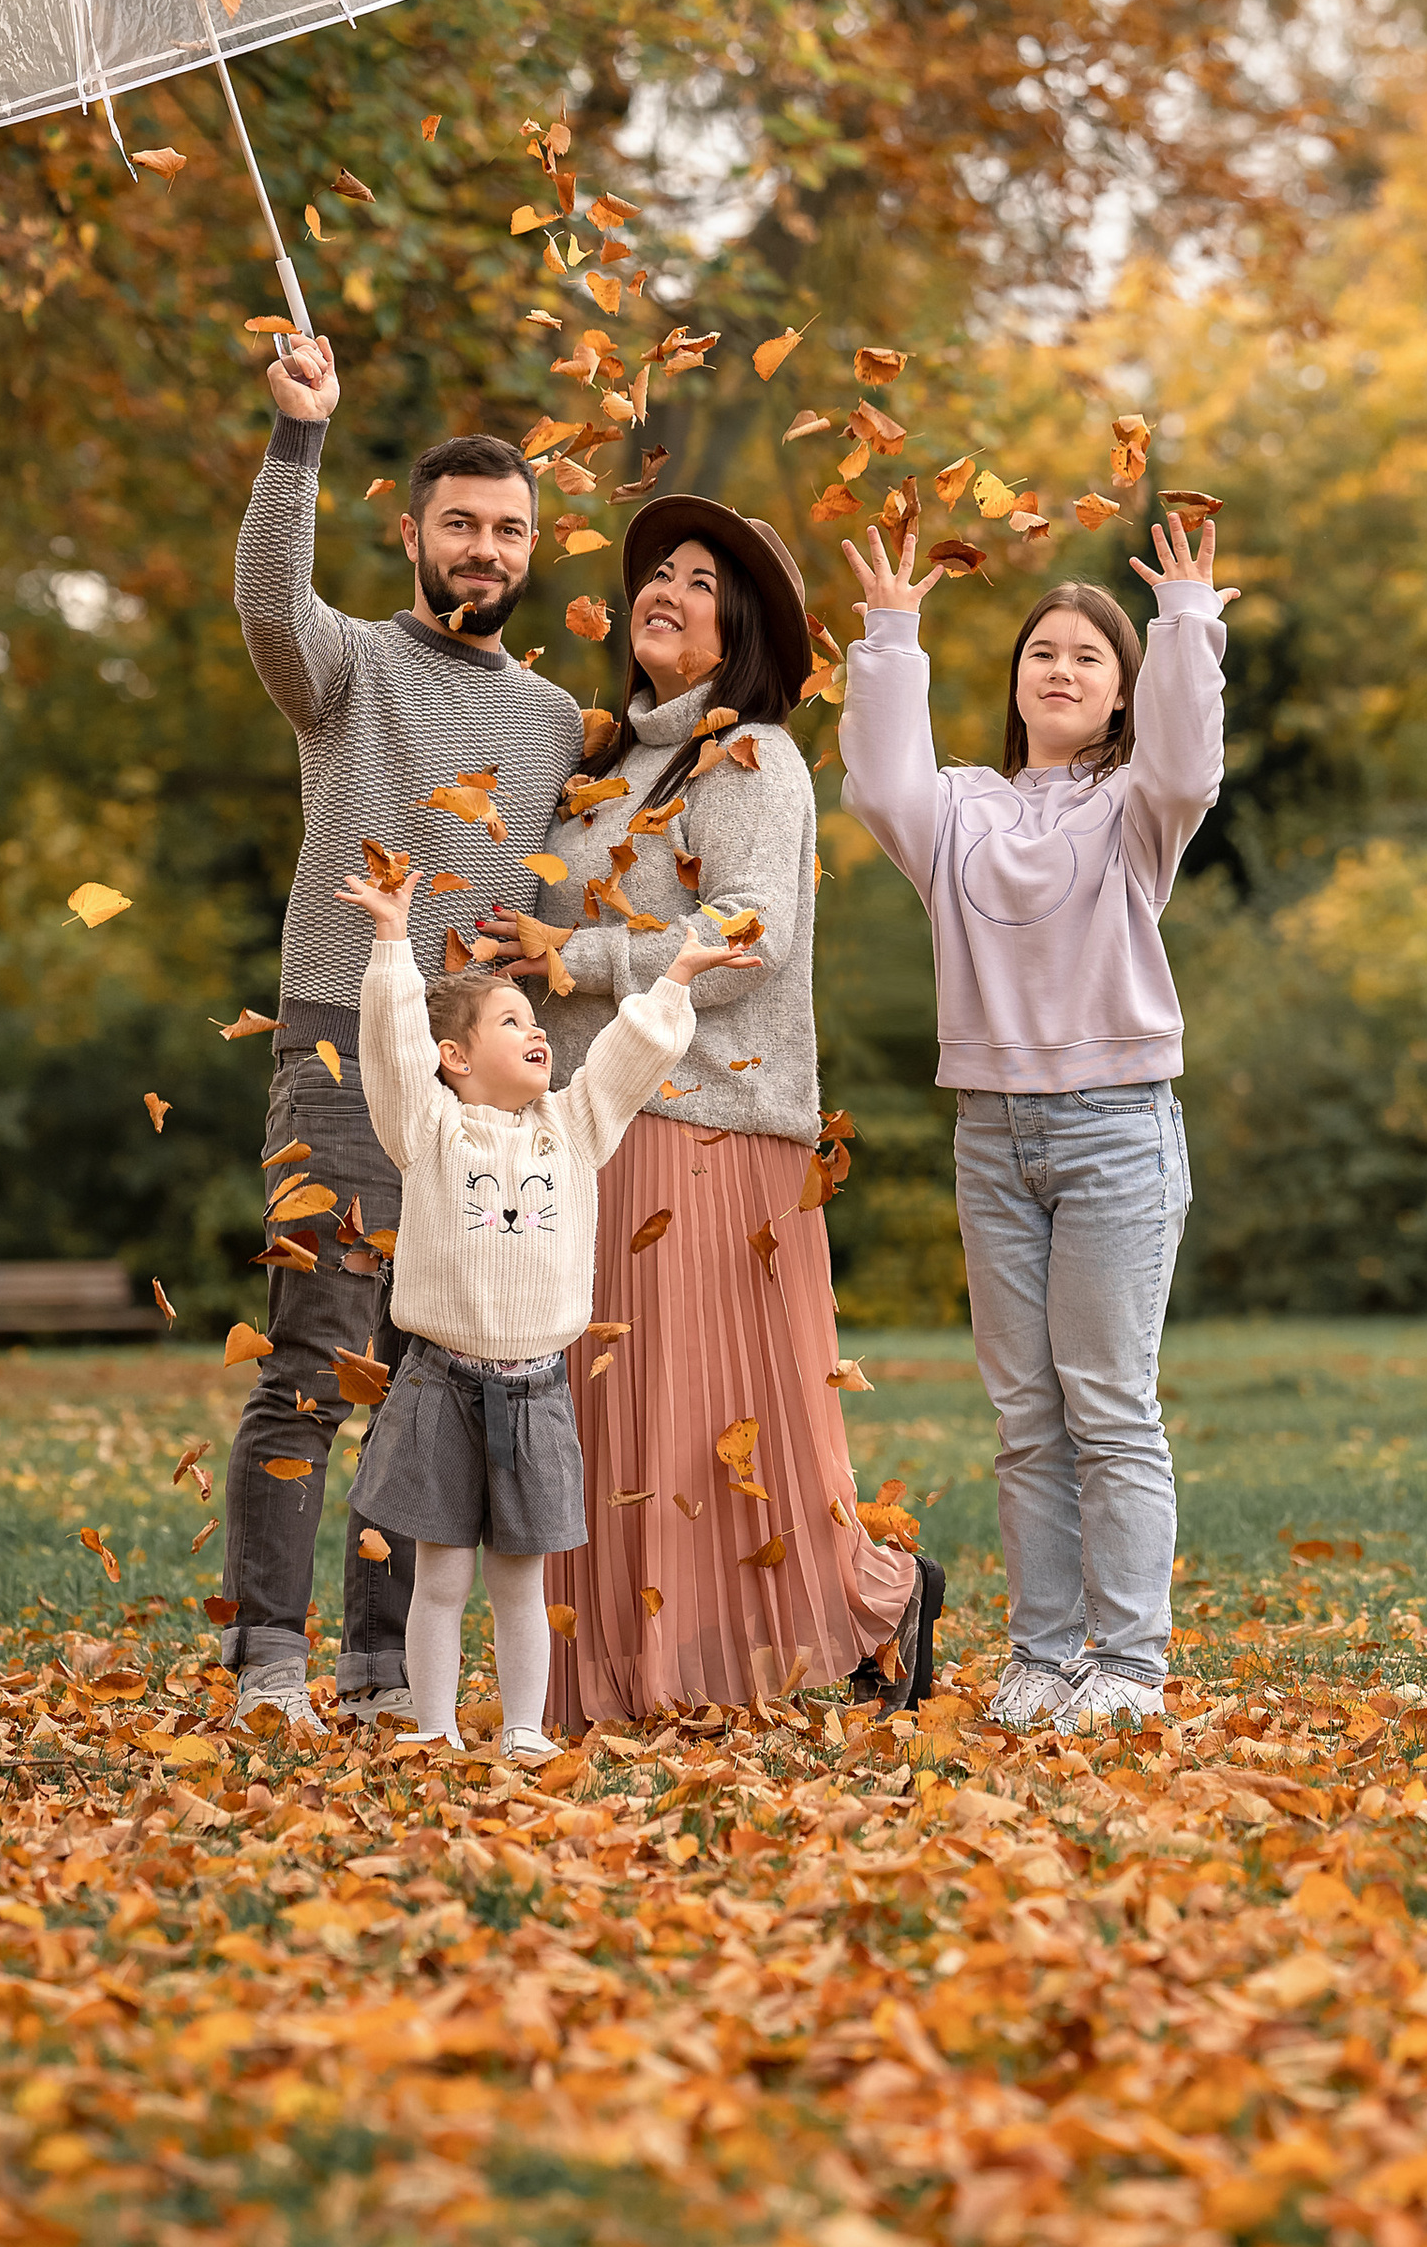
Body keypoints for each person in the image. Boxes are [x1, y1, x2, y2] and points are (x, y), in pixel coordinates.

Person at [505, 495, 933, 1722]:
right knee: (608, 1409)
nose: (669, 589)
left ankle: (868, 1607)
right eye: (659, 573)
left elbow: (749, 936)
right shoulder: (596, 767)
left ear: (737, 629)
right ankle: (629, 1677)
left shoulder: (751, 758)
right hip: (596, 1117)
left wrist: (578, 959)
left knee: (701, 1419)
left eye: (701, 582)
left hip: (708, 1122)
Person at [221, 328, 585, 1736]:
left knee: (429, 1374)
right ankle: (271, 1658)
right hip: (338, 1046)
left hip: (479, 1089)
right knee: (316, 1356)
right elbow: (265, 606)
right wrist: (298, 435)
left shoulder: (558, 721)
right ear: (416, 535)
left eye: (508, 531)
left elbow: (580, 886)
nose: (485, 550)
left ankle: (387, 1669)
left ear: (529, 551)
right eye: (461, 525)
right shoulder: (351, 669)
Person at [838, 515, 1232, 1734]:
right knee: (1026, 1418)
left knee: (1108, 1402)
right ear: (1014, 683)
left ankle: (1128, 1666)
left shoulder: (1133, 812)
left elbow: (1186, 768)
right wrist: (892, 635)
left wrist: (1182, 626)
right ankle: (1045, 1656)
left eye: (1086, 659)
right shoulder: (958, 809)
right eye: (1040, 654)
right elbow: (880, 782)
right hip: (992, 1137)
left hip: (1115, 1127)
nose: (1058, 671)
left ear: (1119, 698)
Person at [333, 857, 761, 1758]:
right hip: (440, 1385)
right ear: (455, 1057)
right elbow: (393, 1051)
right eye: (511, 1022)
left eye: (535, 1022)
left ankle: (525, 1729)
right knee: (440, 1579)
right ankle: (435, 1728)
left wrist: (674, 976)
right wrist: (389, 942)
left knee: (520, 1585)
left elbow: (625, 1056)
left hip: (536, 1393)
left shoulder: (573, 1129)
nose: (539, 1033)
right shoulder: (430, 1128)